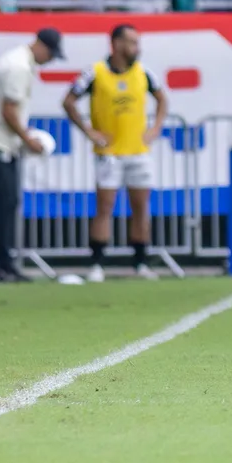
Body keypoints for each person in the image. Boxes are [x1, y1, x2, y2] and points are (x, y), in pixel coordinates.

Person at [63, 24, 168, 282]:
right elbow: (69, 101)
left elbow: (163, 99)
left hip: (138, 151)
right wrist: (89, 131)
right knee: (105, 207)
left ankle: (140, 262)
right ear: (117, 44)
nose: (136, 48)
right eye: (132, 42)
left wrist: (155, 128)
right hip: (108, 152)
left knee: (141, 206)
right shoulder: (95, 72)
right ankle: (97, 264)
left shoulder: (144, 73)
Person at [0, 28, 64, 283]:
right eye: (52, 54)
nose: (51, 60)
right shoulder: (19, 67)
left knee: (7, 204)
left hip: (1, 142)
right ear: (41, 45)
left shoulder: (18, 61)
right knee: (4, 204)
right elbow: (9, 111)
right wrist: (28, 140)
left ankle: (0, 262)